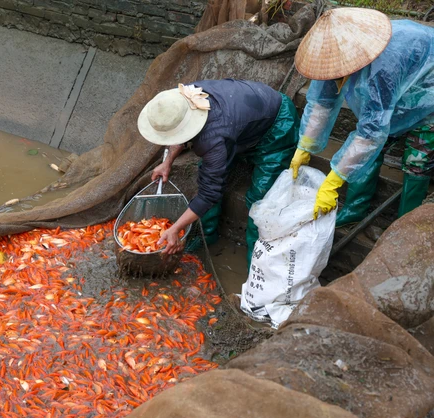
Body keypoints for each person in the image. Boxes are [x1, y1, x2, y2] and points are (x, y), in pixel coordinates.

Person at [289, 8, 434, 224]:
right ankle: (354, 211)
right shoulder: (330, 56)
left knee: (417, 160)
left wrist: (333, 181)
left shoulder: (383, 67)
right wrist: (305, 146)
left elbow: (371, 132)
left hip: (426, 91)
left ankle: (404, 224)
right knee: (371, 152)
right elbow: (322, 102)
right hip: (397, 84)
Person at [137, 79, 299, 264]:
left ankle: (257, 263)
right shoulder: (178, 99)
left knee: (260, 200)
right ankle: (207, 235)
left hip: (278, 124)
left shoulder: (212, 138)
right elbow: (177, 133)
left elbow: (208, 194)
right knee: (208, 173)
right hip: (240, 115)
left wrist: (175, 228)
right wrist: (167, 162)